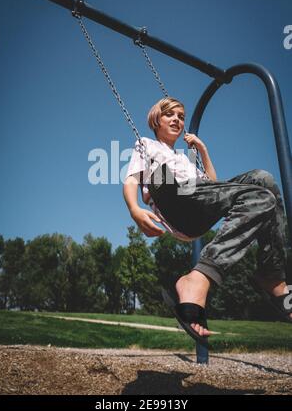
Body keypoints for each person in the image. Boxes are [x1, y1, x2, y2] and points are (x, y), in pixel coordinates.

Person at [123, 97, 292, 345]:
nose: (177, 120)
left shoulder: (186, 157)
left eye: (181, 116)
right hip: (173, 199)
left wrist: (202, 150)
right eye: (170, 114)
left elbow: (214, 186)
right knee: (165, 174)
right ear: (156, 120)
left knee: (263, 182)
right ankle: (198, 278)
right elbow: (131, 180)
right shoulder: (146, 145)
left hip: (198, 201)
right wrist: (134, 209)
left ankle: (272, 274)